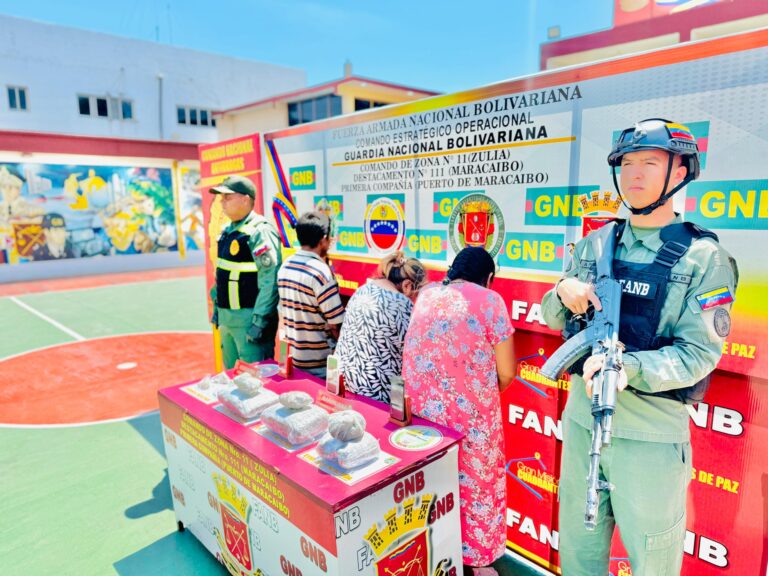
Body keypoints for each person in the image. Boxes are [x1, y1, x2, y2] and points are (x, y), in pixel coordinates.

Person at [541, 118, 738, 576]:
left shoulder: (703, 258)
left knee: (653, 564)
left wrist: (627, 367)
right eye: (627, 163)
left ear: (680, 172)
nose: (634, 174)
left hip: (650, 439)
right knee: (578, 559)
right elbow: (555, 319)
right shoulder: (594, 245)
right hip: (582, 426)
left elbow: (699, 353)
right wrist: (563, 291)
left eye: (650, 162)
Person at [402, 246, 516, 575]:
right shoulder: (490, 300)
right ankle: (479, 565)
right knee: (478, 487)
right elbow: (507, 372)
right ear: (489, 278)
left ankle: (439, 553)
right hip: (473, 420)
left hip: (425, 417)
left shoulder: (426, 295)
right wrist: (477, 394)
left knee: (437, 483)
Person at [209, 175, 282, 368]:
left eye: (227, 197)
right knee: (231, 382)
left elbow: (271, 280)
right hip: (227, 320)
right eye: (221, 198)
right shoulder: (227, 231)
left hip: (249, 323)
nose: (222, 202)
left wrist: (260, 321)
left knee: (255, 383)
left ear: (245, 199)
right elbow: (222, 275)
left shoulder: (260, 231)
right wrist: (217, 309)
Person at [335, 252, 427, 402]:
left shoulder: (362, 290)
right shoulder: (402, 304)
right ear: (407, 285)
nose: (415, 299)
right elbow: (414, 355)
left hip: (343, 383)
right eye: (416, 294)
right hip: (376, 395)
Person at [277, 212, 344, 377]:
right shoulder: (321, 273)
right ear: (323, 239)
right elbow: (336, 323)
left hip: (295, 360)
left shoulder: (286, 266)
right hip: (320, 365)